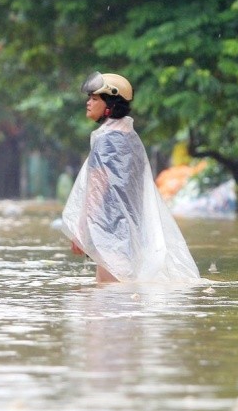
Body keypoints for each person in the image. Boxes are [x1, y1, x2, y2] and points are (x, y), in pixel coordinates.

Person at [61, 71, 200, 283]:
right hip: (131, 234)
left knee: (106, 299)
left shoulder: (106, 140)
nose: (88, 103)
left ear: (110, 104)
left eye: (94, 98)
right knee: (123, 298)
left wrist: (81, 230)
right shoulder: (130, 138)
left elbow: (97, 187)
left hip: (109, 235)